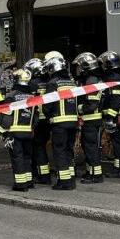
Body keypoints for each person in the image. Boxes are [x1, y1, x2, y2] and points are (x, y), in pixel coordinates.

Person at [41, 54, 79, 190]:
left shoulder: (53, 83)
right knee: (69, 150)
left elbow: (48, 105)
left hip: (59, 123)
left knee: (59, 151)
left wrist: (46, 114)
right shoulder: (71, 82)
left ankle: (64, 182)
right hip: (73, 123)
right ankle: (71, 178)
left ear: (52, 68)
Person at [0, 67, 37, 191]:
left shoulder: (12, 96)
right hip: (28, 132)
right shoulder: (33, 97)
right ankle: (29, 181)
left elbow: (6, 117)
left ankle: (20, 185)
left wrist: (3, 132)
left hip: (15, 132)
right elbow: (36, 117)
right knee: (27, 157)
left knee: (17, 158)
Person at [72, 52, 105, 184]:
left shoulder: (91, 81)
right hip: (90, 119)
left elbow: (91, 105)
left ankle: (96, 175)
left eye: (80, 67)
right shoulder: (90, 80)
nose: (78, 70)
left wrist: (78, 108)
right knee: (87, 147)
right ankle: (90, 172)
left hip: (91, 119)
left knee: (91, 147)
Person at [99, 50, 120, 177]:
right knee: (118, 142)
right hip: (118, 115)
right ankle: (119, 169)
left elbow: (117, 100)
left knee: (118, 142)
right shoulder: (117, 76)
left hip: (117, 116)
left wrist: (110, 117)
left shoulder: (115, 78)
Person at [24, 58, 52, 185]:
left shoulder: (32, 84)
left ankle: (43, 176)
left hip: (36, 120)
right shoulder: (49, 82)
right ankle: (42, 173)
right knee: (41, 146)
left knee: (37, 148)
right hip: (47, 119)